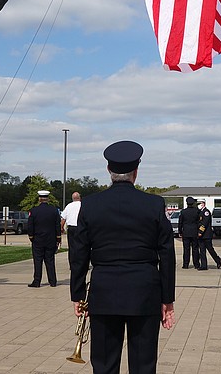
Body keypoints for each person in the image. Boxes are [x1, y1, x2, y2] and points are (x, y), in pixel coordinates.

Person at [70, 140, 176, 374]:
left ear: (109, 170)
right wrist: (167, 299)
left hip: (104, 291)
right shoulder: (154, 204)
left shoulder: (90, 205)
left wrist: (77, 294)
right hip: (144, 291)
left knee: (105, 364)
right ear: (136, 172)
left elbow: (79, 254)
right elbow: (167, 254)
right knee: (143, 364)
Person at [27, 190, 61, 287]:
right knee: (50, 261)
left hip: (38, 239)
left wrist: (31, 237)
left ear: (39, 199)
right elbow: (57, 225)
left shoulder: (34, 210)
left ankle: (37, 281)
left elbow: (30, 225)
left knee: (38, 261)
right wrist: (58, 238)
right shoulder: (54, 210)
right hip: (51, 239)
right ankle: (53, 281)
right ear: (48, 199)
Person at [196, 199, 221, 270]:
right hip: (200, 235)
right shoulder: (199, 212)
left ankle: (217, 260)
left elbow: (205, 223)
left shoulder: (206, 212)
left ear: (203, 204)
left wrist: (200, 232)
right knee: (202, 250)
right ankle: (204, 265)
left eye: (200, 203)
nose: (199, 205)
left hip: (206, 234)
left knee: (210, 249)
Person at [178, 196, 201, 269]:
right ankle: (196, 264)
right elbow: (199, 222)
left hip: (186, 232)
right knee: (195, 249)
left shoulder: (183, 211)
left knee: (186, 249)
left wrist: (180, 232)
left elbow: (180, 222)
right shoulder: (197, 211)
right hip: (194, 231)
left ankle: (185, 264)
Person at [60, 192, 82, 267]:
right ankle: (81, 263)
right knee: (81, 246)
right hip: (81, 228)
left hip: (71, 228)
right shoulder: (83, 205)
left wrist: (61, 228)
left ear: (72, 198)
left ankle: (72, 264)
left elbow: (63, 219)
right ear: (80, 197)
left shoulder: (68, 206)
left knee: (72, 247)